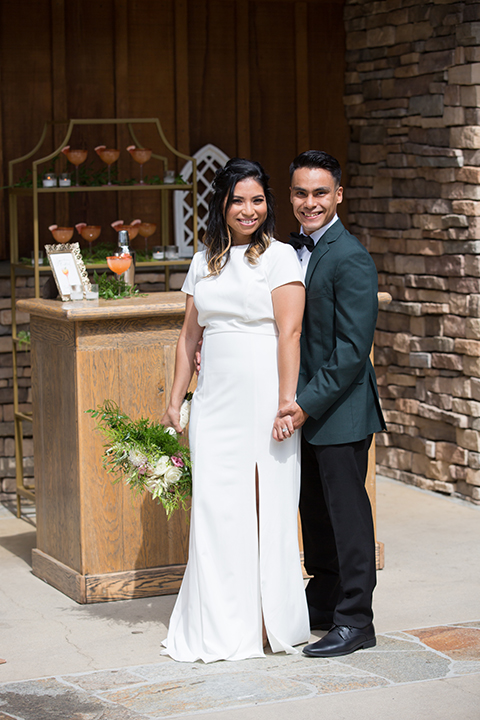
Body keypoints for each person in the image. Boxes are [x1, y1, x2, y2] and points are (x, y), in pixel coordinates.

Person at [161, 158, 310, 663]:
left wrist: (288, 401)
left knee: (268, 504)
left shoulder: (281, 256)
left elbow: (289, 333)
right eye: (238, 200)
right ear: (222, 204)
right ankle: (222, 621)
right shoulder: (205, 260)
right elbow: (188, 336)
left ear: (267, 204)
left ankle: (270, 621)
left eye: (258, 200)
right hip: (215, 401)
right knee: (215, 508)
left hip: (265, 394)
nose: (249, 210)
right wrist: (175, 399)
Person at [278, 150, 386, 658]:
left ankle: (356, 618)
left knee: (347, 516)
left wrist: (305, 405)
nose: (310, 202)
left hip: (339, 410)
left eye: (320, 193)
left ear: (338, 195)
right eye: (301, 192)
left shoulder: (351, 256)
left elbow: (350, 350)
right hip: (305, 410)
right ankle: (321, 601)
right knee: (314, 513)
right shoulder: (288, 251)